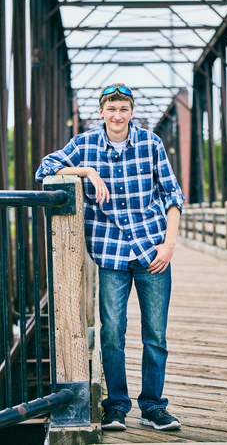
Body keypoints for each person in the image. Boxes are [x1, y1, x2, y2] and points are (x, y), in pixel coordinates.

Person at [36, 83, 184, 431]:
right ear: (102, 112)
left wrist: (169, 244)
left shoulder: (150, 143)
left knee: (155, 336)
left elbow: (172, 194)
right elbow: (45, 169)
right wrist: (87, 171)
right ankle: (116, 406)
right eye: (111, 109)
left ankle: (152, 407)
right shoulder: (85, 145)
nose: (118, 116)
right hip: (111, 254)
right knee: (113, 334)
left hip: (153, 251)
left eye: (124, 109)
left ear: (131, 112)